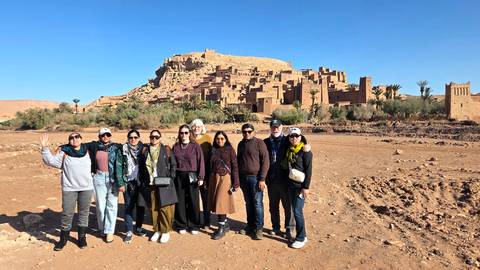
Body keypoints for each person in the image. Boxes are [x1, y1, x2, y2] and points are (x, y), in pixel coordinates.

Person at [40, 132, 93, 251]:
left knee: (84, 213)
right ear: (69, 140)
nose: (74, 139)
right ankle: (63, 240)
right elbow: (51, 162)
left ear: (81, 139)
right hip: (70, 188)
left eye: (77, 137)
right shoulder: (65, 152)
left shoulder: (88, 151)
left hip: (86, 188)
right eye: (71, 138)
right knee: (67, 214)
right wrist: (45, 148)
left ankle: (82, 238)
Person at [85, 128, 126, 243]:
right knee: (100, 206)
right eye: (103, 135)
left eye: (108, 135)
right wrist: (63, 147)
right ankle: (102, 228)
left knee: (112, 205)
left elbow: (132, 147)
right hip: (98, 177)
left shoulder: (117, 147)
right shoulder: (94, 146)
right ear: (99, 136)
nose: (106, 137)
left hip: (113, 178)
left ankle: (109, 231)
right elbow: (79, 146)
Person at [237, 123, 269, 240]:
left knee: (257, 203)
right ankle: (250, 226)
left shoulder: (259, 143)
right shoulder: (241, 144)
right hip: (244, 179)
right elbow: (238, 161)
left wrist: (262, 179)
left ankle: (258, 228)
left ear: (253, 132)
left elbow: (265, 161)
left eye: (249, 131)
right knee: (248, 203)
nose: (247, 134)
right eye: (244, 132)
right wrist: (238, 179)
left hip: (256, 178)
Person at [281, 128, 313, 249]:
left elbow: (309, 170)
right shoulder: (288, 149)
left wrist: (306, 187)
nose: (294, 138)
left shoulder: (306, 152)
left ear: (301, 137)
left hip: (300, 187)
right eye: (291, 136)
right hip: (290, 186)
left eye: (296, 136)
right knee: (294, 210)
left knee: (297, 211)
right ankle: (303, 236)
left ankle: (300, 238)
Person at [144, 130, 178, 243]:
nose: (154, 139)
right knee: (154, 208)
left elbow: (173, 164)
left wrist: (170, 177)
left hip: (164, 182)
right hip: (151, 183)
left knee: (165, 208)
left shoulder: (166, 149)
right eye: (152, 137)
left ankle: (165, 231)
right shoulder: (145, 150)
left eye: (156, 137)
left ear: (160, 138)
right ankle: (157, 230)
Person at [264, 119, 295, 241]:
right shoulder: (265, 142)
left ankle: (288, 229)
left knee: (288, 206)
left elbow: (301, 140)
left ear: (282, 127)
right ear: (270, 128)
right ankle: (276, 227)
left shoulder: (288, 140)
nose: (275, 129)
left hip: (285, 180)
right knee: (273, 206)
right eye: (273, 127)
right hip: (271, 180)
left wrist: (307, 146)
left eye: (277, 127)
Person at [172, 124, 205, 234]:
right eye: (182, 133)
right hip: (179, 176)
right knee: (180, 200)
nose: (184, 135)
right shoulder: (176, 146)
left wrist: (201, 177)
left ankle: (194, 224)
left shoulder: (195, 146)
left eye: (186, 132)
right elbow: (172, 162)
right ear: (179, 134)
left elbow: (201, 162)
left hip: (192, 175)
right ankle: (181, 224)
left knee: (193, 200)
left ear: (189, 133)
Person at [208, 131, 239, 240]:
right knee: (218, 201)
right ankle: (225, 224)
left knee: (220, 203)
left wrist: (236, 183)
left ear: (226, 139)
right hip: (214, 179)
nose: (220, 140)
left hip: (225, 178)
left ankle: (221, 227)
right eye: (218, 138)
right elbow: (210, 165)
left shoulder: (230, 150)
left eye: (222, 138)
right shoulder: (213, 150)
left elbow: (235, 166)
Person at [121, 129, 148, 243]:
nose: (133, 139)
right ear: (128, 139)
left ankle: (138, 227)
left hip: (140, 181)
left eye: (135, 137)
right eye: (131, 137)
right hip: (128, 181)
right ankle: (129, 231)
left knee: (141, 205)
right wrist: (121, 181)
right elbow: (118, 165)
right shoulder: (122, 149)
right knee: (129, 206)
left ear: (139, 138)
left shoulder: (144, 148)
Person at [190, 119, 212, 229]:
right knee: (193, 198)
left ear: (202, 127)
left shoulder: (207, 139)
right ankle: (195, 220)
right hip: (191, 174)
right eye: (194, 126)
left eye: (199, 126)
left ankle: (207, 222)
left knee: (205, 198)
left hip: (206, 173)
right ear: (191, 127)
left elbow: (212, 156)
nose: (196, 128)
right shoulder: (188, 138)